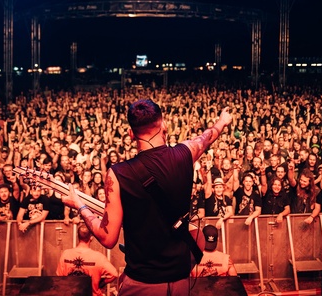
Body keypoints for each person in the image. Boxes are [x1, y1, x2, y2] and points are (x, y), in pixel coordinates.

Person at [63, 99, 232, 296]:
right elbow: (207, 137)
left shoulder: (118, 174)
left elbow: (108, 238)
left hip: (142, 283)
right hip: (180, 281)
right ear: (164, 125)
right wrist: (222, 121)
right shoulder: (185, 153)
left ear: (131, 134)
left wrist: (80, 206)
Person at [56, 224, 118, 296]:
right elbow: (114, 274)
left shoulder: (65, 254)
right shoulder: (98, 257)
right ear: (91, 237)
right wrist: (100, 284)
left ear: (78, 236)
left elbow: (59, 277)